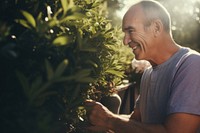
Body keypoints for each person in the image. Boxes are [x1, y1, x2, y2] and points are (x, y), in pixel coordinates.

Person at [85, 0, 200, 132]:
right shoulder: (148, 73)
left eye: (130, 30)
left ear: (156, 27)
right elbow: (135, 121)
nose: (125, 41)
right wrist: (99, 120)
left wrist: (109, 120)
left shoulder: (191, 65)